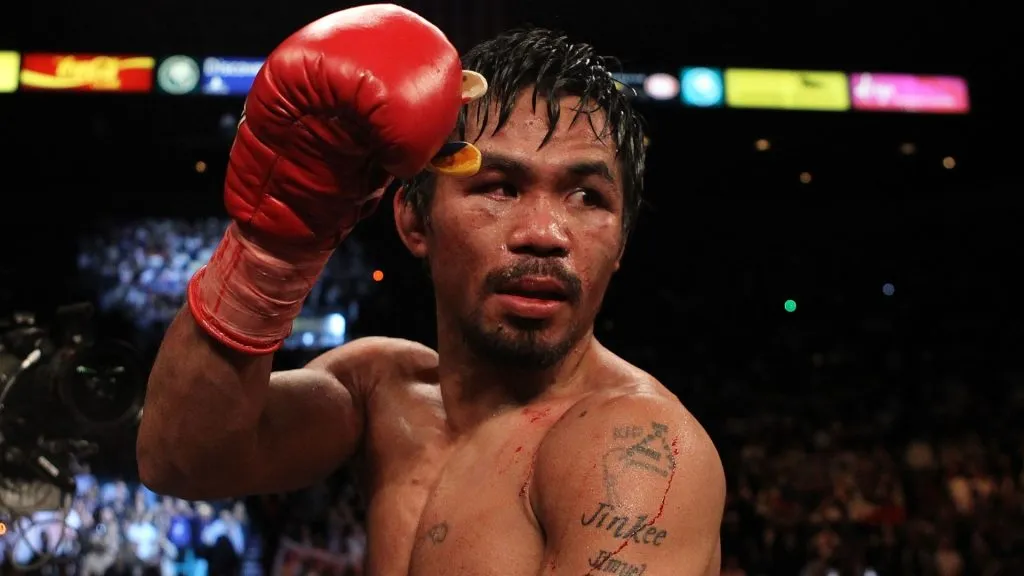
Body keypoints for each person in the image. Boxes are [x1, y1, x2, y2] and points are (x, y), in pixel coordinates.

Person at [138, 4, 725, 575]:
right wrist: (273, 246)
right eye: (499, 186)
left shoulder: (636, 450)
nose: (545, 234)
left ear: (621, 243)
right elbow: (181, 460)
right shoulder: (381, 390)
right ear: (414, 222)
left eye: (588, 197)